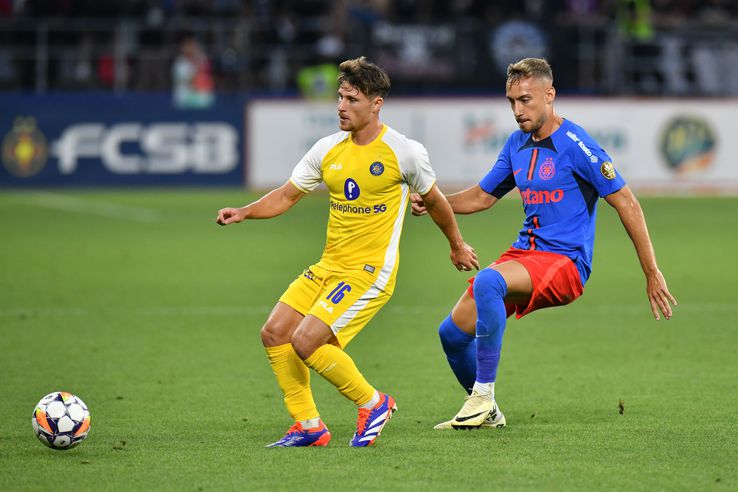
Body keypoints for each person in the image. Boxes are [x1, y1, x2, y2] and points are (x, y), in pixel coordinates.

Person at [216, 57, 479, 447]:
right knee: (275, 333)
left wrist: (456, 245)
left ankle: (373, 403)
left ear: (376, 103)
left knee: (307, 341)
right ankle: (308, 426)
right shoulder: (328, 149)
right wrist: (245, 211)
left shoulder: (403, 152)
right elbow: (287, 195)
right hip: (329, 266)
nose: (341, 106)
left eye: (352, 98)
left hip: (369, 272)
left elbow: (436, 201)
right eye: (340, 97)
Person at [410, 57, 677, 430]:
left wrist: (651, 271)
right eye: (512, 102)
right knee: (452, 335)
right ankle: (487, 412)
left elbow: (627, 202)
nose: (518, 111)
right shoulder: (516, 144)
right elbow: (483, 197)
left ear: (549, 95)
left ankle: (483, 396)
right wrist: (436, 200)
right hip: (527, 254)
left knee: (489, 281)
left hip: (565, 263)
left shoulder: (577, 144)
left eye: (526, 100)